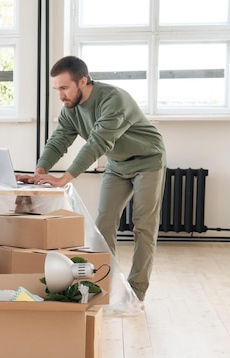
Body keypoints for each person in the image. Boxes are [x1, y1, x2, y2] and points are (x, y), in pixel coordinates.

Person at [16, 56, 167, 302]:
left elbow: (98, 143)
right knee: (104, 224)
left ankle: (137, 291)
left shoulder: (113, 100)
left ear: (83, 81)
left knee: (143, 226)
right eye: (57, 89)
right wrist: (40, 172)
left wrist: (65, 178)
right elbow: (59, 140)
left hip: (148, 161)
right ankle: (105, 283)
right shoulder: (70, 109)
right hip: (117, 165)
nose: (61, 96)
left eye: (64, 88)